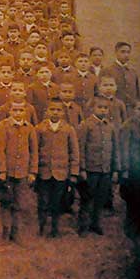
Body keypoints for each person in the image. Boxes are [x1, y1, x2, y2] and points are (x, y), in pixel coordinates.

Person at [35, 98, 79, 238]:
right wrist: (34, 171)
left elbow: (74, 152)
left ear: (63, 112)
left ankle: (55, 228)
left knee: (57, 202)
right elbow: (34, 150)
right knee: (42, 201)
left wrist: (73, 173)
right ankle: (41, 227)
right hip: (43, 172)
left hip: (61, 172)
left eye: (58, 110)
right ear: (47, 111)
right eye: (52, 109)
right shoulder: (40, 128)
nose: (55, 112)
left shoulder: (68, 129)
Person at [0, 102, 38, 243]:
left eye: (21, 110)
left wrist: (32, 171)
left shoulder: (29, 128)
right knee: (6, 202)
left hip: (23, 172)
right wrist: (2, 170)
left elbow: (33, 151)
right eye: (15, 110)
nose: (18, 113)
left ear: (25, 111)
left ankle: (16, 232)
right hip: (7, 172)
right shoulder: (3, 126)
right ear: (10, 111)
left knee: (19, 204)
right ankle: (5, 232)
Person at [77, 95, 120, 236]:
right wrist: (82, 168)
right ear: (92, 108)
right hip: (90, 169)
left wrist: (115, 169)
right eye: (99, 107)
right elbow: (81, 148)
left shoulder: (110, 126)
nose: (102, 110)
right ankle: (83, 225)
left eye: (105, 108)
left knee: (100, 198)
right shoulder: (85, 125)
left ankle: (96, 223)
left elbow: (115, 149)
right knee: (87, 197)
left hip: (105, 169)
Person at [121, 99, 140, 240]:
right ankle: (131, 229)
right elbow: (124, 149)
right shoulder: (128, 126)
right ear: (134, 110)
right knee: (133, 200)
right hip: (133, 170)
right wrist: (125, 169)